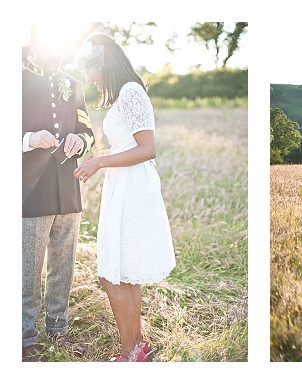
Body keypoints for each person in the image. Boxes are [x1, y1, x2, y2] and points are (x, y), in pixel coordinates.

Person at [73, 32, 176, 362]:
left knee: (111, 272)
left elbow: (148, 150)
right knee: (125, 269)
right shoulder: (124, 95)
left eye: (88, 69)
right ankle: (138, 345)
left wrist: (102, 161)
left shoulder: (132, 93)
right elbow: (127, 146)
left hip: (134, 189)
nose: (87, 77)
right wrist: (101, 154)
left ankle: (129, 351)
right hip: (123, 184)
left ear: (102, 64)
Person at [22, 22, 95, 362]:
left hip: (68, 190)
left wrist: (81, 140)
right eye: (48, 45)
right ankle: (25, 337)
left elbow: (89, 132)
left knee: (63, 267)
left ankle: (58, 330)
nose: (55, 52)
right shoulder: (15, 78)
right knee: (28, 268)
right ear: (33, 45)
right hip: (28, 192)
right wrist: (28, 139)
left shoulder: (74, 84)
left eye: (59, 45)